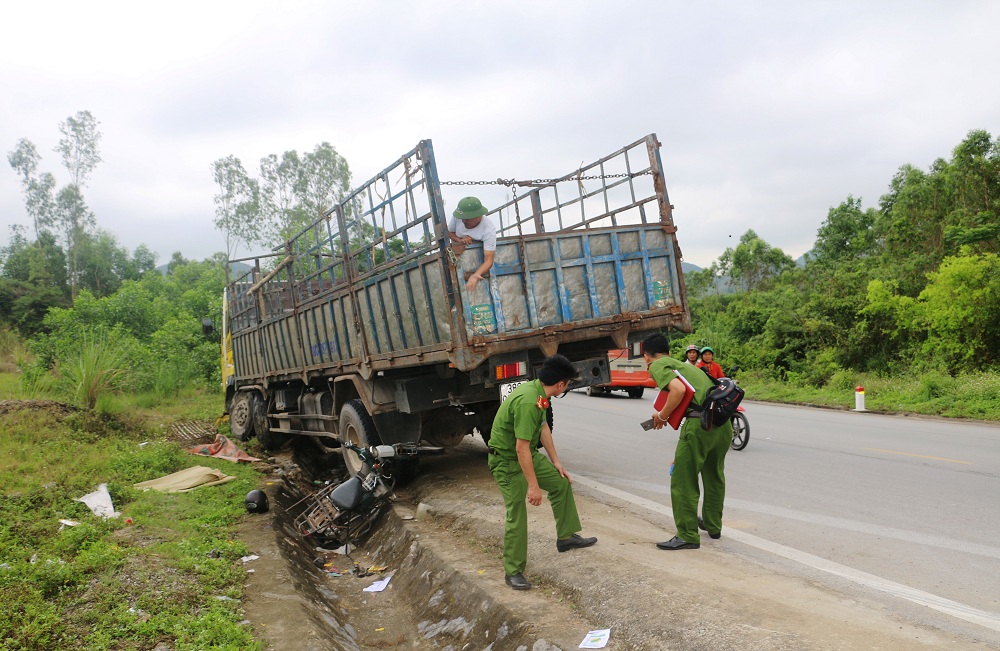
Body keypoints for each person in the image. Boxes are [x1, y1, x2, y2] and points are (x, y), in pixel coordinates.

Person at [487, 354, 597, 590]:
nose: (567, 387)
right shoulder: (528, 401)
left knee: (561, 483)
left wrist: (556, 462)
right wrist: (533, 486)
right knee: (517, 513)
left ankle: (566, 537)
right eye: (568, 384)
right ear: (561, 384)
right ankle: (513, 571)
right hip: (507, 461)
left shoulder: (539, 393)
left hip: (524, 456)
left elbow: (543, 426)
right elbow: (521, 447)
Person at [642, 333, 732, 550]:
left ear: (646, 356)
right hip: (722, 425)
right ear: (669, 351)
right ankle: (713, 525)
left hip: (700, 426)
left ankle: (688, 535)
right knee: (714, 475)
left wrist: (662, 416)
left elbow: (678, 390)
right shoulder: (685, 366)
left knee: (683, 479)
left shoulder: (658, 364)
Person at [448, 196, 497, 291]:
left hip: (473, 262)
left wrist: (476, 275)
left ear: (478, 216)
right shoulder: (458, 216)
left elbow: (488, 260)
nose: (463, 221)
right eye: (462, 218)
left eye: (467, 218)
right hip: (456, 259)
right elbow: (449, 232)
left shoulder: (488, 229)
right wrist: (460, 240)